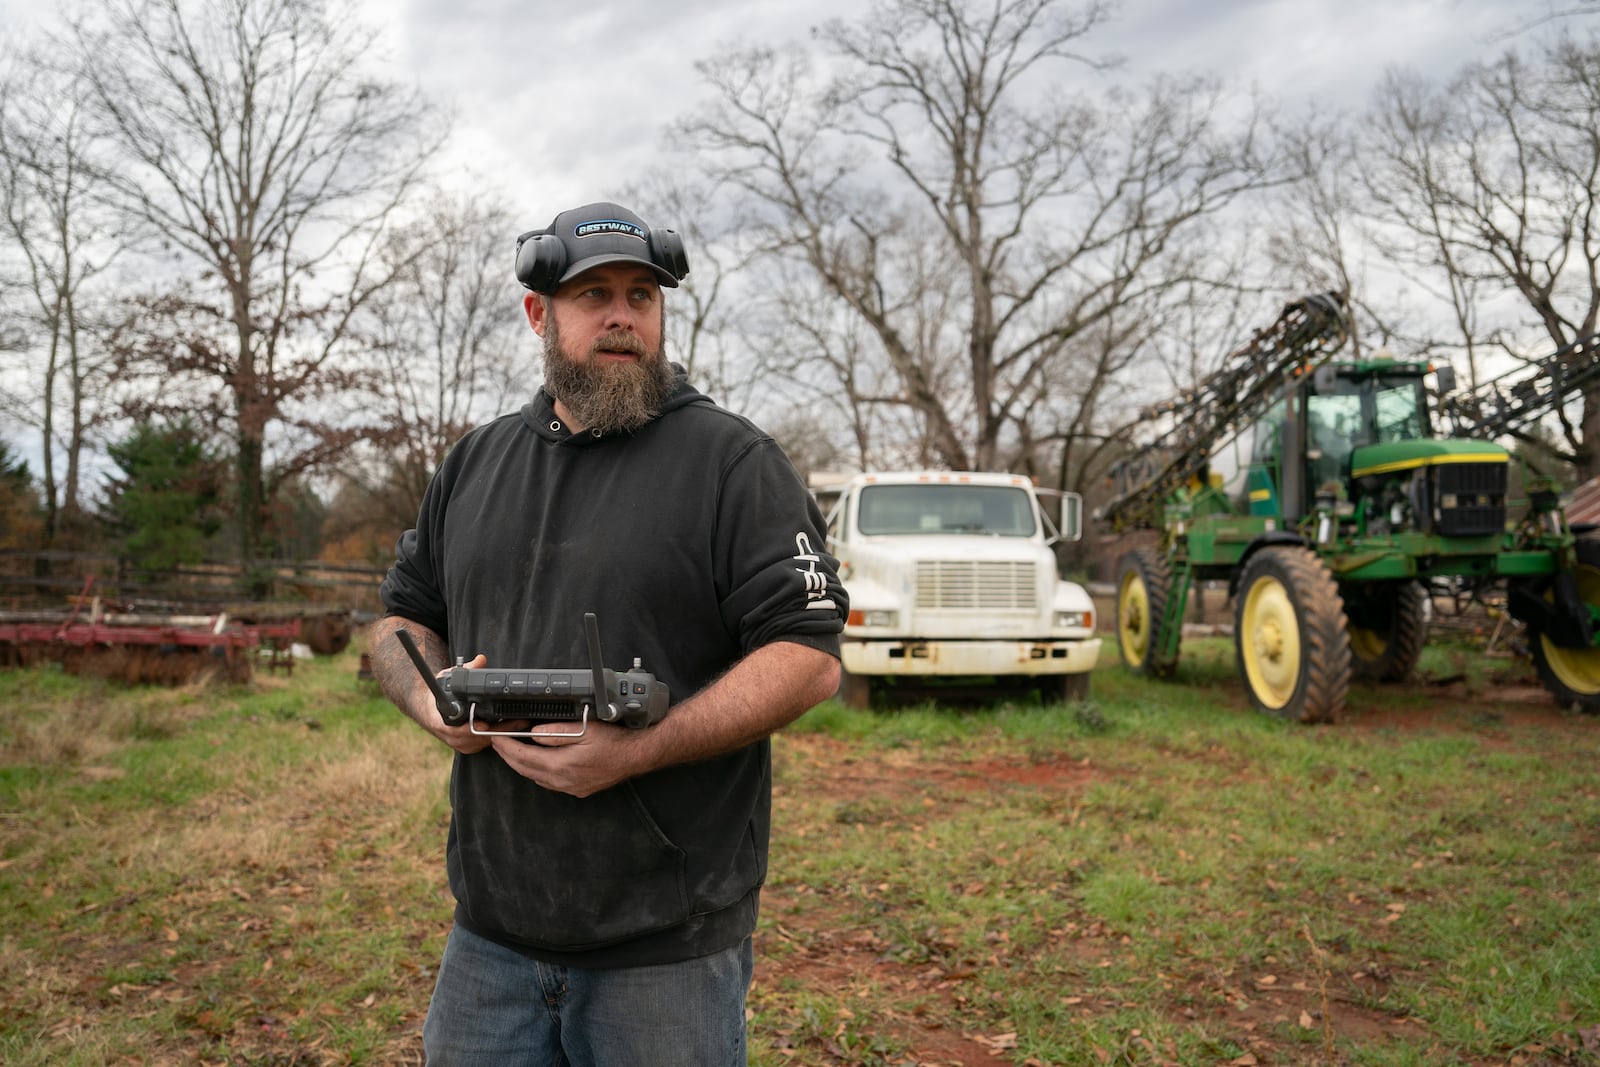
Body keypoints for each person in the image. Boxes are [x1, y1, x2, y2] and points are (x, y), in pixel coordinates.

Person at [368, 200, 847, 1066]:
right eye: (594, 294)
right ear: (538, 313)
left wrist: (645, 747)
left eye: (642, 295)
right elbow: (400, 621)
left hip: (666, 945)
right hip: (490, 938)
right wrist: (435, 703)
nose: (623, 314)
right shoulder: (475, 465)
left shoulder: (734, 465)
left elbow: (808, 656)